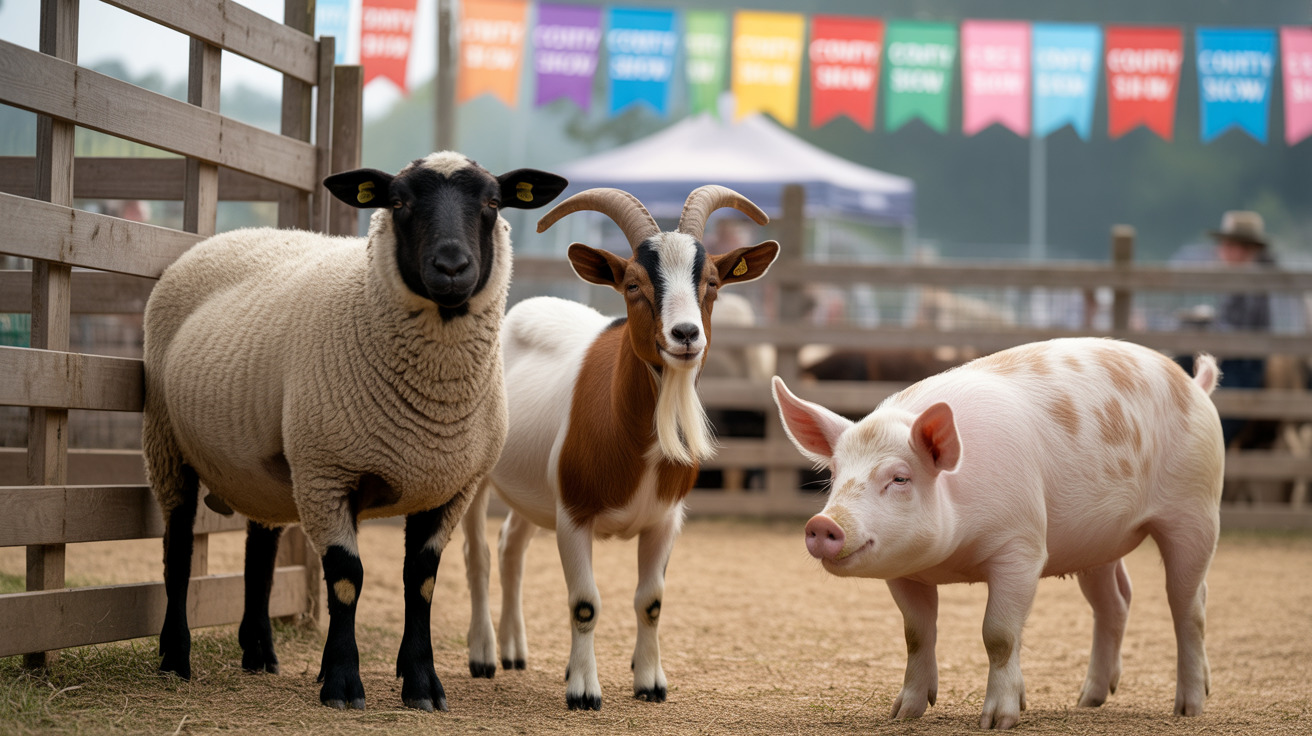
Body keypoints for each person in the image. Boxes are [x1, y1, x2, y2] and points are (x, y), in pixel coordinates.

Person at [1209, 210, 1276, 446]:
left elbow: (1241, 333)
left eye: (1229, 244)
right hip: (1239, 364)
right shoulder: (1245, 278)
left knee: (1215, 428)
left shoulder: (1251, 280)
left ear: (1245, 249)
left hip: (1244, 367)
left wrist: (1209, 328)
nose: (1222, 250)